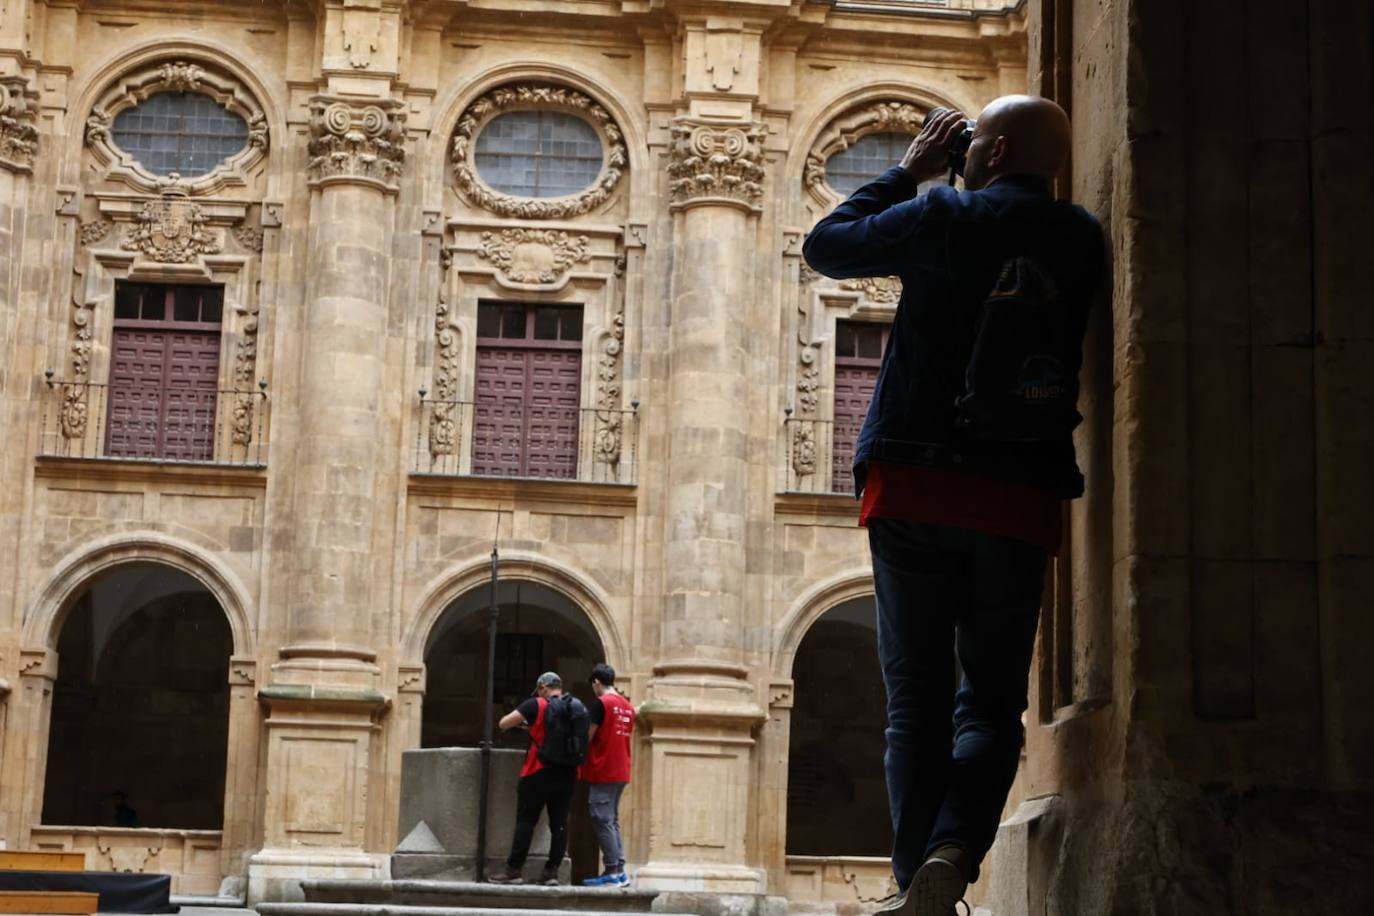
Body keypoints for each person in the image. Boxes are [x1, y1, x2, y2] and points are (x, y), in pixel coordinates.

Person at [802, 96, 1104, 916]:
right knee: (993, 700)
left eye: (975, 144)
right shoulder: (1081, 237)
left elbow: (825, 247)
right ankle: (954, 849)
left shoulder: (939, 213)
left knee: (917, 700)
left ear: (994, 151)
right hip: (1020, 494)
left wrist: (910, 169)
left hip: (916, 484)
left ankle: (914, 889)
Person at [488, 671, 581, 886]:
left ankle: (513, 871)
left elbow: (504, 723)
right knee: (559, 824)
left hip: (537, 771)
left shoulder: (536, 704)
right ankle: (552, 873)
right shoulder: (574, 705)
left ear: (543, 688)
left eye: (540, 689)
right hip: (567, 773)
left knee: (526, 822)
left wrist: (527, 726)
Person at [579, 663, 636, 887]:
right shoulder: (627, 706)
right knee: (611, 819)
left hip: (604, 769)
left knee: (601, 819)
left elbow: (588, 736)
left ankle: (612, 870)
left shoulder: (601, 703)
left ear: (596, 682)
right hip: (621, 769)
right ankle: (619, 869)